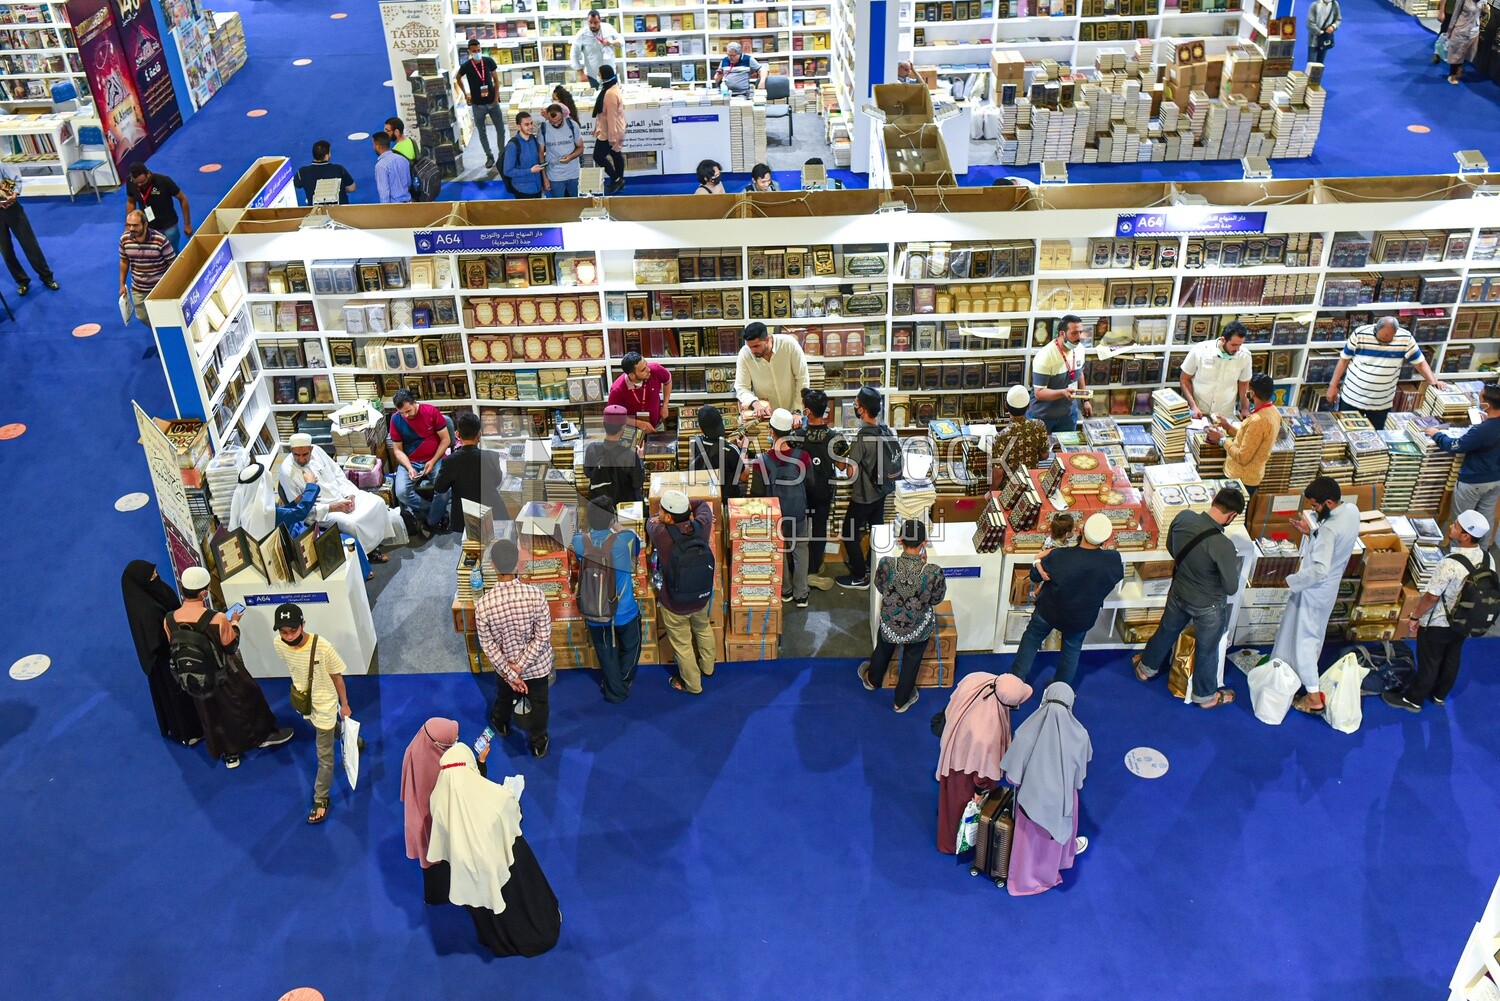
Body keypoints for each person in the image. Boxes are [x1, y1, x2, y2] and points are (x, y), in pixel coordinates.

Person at [426, 743, 562, 957]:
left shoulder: (438, 799)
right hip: (505, 863)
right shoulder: (496, 797)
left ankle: (500, 941)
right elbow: (514, 816)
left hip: (468, 869)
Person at [165, 566, 292, 769]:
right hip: (224, 674)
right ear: (203, 593)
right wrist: (234, 623)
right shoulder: (217, 619)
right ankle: (262, 736)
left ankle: (230, 754)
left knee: (212, 714)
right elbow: (231, 646)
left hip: (194, 679)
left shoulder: (169, 619)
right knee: (247, 701)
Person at [1131, 487, 1245, 709]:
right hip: (1208, 606)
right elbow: (1231, 587)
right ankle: (1205, 697)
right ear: (1232, 516)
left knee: (1166, 630)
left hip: (1179, 592)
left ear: (1213, 500)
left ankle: (1146, 669)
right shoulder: (1223, 546)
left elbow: (1171, 548)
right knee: (1207, 649)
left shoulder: (1183, 517)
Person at [1271, 476, 1362, 715]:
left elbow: (1320, 568)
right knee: (1307, 635)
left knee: (1304, 641)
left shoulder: (1329, 529)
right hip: (1327, 590)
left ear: (1329, 502)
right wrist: (1311, 532)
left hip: (1313, 591)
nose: (1313, 510)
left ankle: (1313, 697)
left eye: (1315, 506)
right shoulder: (1351, 510)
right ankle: (1290, 676)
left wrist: (1290, 581)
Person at [1384, 510, 1489, 713]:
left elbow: (1431, 597)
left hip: (1439, 623)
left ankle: (1413, 699)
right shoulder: (1487, 558)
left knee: (1429, 662)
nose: (1451, 527)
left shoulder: (1450, 563)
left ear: (1466, 536)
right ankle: (1439, 694)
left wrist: (1415, 617)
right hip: (1465, 622)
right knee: (1452, 657)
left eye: (1456, 526)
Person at [1008, 513, 1124, 688]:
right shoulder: (1113, 560)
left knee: (1032, 638)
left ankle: (1013, 684)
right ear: (1107, 538)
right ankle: (1060, 693)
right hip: (1081, 617)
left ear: (1081, 530)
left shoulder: (1059, 555)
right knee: (1071, 649)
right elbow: (1114, 579)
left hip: (1049, 610)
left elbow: (1034, 575)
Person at [999, 681, 1092, 896]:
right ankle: (1059, 863)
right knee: (1055, 837)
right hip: (1062, 802)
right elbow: (1078, 781)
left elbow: (1012, 776)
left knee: (1029, 845)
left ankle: (1025, 879)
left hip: (1030, 803)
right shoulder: (1080, 735)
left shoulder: (1027, 730)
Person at [271, 603, 352, 825]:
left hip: (325, 704)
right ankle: (356, 742)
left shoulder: (323, 647)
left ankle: (321, 798)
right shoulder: (278, 644)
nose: (288, 637)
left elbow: (337, 677)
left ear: (303, 624)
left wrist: (344, 705)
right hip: (304, 701)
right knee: (322, 730)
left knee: (324, 755)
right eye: (283, 632)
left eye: (293, 631)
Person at [935, 672, 1031, 854]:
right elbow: (984, 771)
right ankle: (950, 844)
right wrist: (980, 791)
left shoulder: (978, 679)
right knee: (960, 807)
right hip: (966, 770)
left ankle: (946, 832)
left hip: (954, 749)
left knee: (948, 798)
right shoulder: (989, 732)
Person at [230, 458, 372, 580]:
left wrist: (299, 499)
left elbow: (282, 512)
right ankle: (362, 576)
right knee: (350, 541)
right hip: (295, 544)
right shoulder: (265, 511)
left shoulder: (247, 509)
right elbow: (300, 513)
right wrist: (311, 485)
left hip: (281, 543)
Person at [475, 539, 555, 758]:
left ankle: (500, 724)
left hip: (506, 668)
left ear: (492, 564)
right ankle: (538, 742)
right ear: (518, 562)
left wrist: (511, 672)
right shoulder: (536, 595)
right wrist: (521, 666)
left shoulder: (483, 605)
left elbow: (488, 646)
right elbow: (543, 636)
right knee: (540, 703)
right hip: (537, 666)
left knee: (503, 696)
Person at [858, 519, 947, 713]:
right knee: (911, 662)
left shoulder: (887, 564)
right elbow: (937, 599)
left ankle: (872, 680)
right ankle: (900, 701)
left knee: (883, 649)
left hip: (890, 623)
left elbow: (879, 586)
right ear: (924, 543)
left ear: (900, 540)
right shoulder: (933, 572)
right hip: (917, 628)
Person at [121, 560, 203, 746]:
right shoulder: (146, 611)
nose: (156, 578)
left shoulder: (153, 592)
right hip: (164, 660)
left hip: (174, 651)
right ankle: (188, 732)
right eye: (152, 577)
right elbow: (156, 640)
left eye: (156, 573)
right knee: (176, 696)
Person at [278, 433, 391, 563]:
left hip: (341, 494)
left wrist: (350, 495)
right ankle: (366, 556)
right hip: (320, 511)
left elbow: (337, 473)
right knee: (351, 524)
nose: (301, 459)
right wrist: (333, 507)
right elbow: (300, 509)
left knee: (378, 502)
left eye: (305, 454)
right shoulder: (287, 471)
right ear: (291, 452)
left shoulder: (318, 451)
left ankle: (375, 542)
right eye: (296, 455)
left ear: (311, 450)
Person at [573, 497, 643, 703]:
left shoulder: (579, 541)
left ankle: (614, 684)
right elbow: (637, 546)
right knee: (631, 646)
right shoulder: (625, 540)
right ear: (612, 517)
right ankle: (620, 685)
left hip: (595, 609)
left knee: (606, 651)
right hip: (624, 609)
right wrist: (615, 524)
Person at [649, 490, 718, 695]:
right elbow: (703, 504)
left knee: (683, 644)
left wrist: (660, 514)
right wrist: (687, 504)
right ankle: (708, 667)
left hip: (674, 602)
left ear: (669, 517)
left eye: (662, 510)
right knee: (703, 629)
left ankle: (693, 685)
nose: (659, 513)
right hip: (701, 596)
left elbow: (650, 520)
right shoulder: (702, 525)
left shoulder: (660, 533)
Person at [1326, 316, 1444, 431]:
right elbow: (1344, 360)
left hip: (1381, 403)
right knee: (1347, 434)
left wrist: (1433, 381)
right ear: (1375, 330)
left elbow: (1420, 363)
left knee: (1377, 439)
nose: (1384, 344)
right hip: (1352, 399)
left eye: (1389, 341)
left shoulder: (1405, 338)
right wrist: (1333, 386)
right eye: (1381, 340)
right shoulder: (1360, 334)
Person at [750, 408, 813, 608]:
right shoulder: (802, 457)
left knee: (780, 549)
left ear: (771, 431)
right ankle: (801, 594)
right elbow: (810, 483)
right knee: (800, 550)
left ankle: (784, 591)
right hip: (798, 511)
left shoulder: (762, 462)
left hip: (774, 513)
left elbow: (757, 494)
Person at [1427, 383, 1500, 552]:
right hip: (1496, 480)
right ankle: (1481, 556)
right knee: (1485, 519)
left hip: (1473, 481)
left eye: (1480, 398)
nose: (1478, 400)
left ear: (1486, 405)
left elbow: (1455, 445)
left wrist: (1436, 434)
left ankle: (1457, 557)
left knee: (1461, 523)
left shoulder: (1482, 431)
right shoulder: (1487, 427)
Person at [837, 386, 897, 589]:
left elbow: (850, 473)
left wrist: (842, 460)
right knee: (876, 528)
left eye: (856, 404)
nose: (855, 407)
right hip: (882, 491)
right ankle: (873, 566)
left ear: (862, 409)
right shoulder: (885, 429)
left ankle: (859, 576)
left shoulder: (862, 438)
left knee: (849, 532)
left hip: (864, 495)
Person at [400, 717, 460, 903]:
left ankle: (434, 897)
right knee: (439, 863)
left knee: (430, 865)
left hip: (418, 820)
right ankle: (440, 896)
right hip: (432, 824)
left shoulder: (416, 748)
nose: (456, 742)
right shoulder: (437, 770)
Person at [433, 411, 512, 531]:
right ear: (479, 435)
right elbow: (497, 481)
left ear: (458, 434)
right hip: (493, 510)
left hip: (465, 514)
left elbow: (439, 488)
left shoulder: (450, 461)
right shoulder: (492, 456)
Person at [389, 389, 452, 537]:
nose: (406, 415)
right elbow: (397, 450)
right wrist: (409, 468)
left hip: (434, 457)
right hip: (410, 461)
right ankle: (436, 513)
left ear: (414, 402)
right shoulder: (395, 419)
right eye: (402, 412)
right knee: (402, 493)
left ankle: (430, 521)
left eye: (408, 411)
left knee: (444, 491)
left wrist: (433, 460)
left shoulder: (430, 411)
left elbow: (446, 440)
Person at [1209, 372, 1281, 495]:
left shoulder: (1257, 421)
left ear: (1252, 393)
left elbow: (1243, 457)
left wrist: (1222, 440)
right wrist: (1228, 427)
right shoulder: (1273, 412)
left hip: (1240, 479)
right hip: (1252, 476)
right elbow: (1250, 438)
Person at [795, 388, 837, 590]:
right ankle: (815, 566)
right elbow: (845, 465)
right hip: (824, 492)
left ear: (809, 411)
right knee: (819, 529)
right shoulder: (834, 437)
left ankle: (800, 568)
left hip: (802, 493)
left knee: (801, 531)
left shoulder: (797, 436)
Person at [0, 161, 58, 295]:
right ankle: (21, 281)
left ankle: (46, 277)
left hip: (12, 210)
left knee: (30, 245)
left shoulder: (1, 165)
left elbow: (13, 180)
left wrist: (13, 194)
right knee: (6, 251)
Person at [1028, 314, 1092, 434]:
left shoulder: (1080, 349)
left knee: (1065, 451)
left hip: (1068, 416)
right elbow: (1039, 393)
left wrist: (1085, 400)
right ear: (1062, 334)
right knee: (1042, 452)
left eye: (1080, 332)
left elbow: (1080, 374)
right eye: (1074, 333)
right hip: (1043, 417)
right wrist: (1063, 392)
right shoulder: (1045, 356)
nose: (1079, 337)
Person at [734, 321, 809, 417]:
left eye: (756, 346)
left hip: (793, 413)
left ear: (767, 339)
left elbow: (802, 378)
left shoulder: (789, 344)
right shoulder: (745, 354)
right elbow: (741, 387)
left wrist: (797, 410)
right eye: (750, 347)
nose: (753, 351)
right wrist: (755, 403)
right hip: (767, 416)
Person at [1180, 320, 1251, 420]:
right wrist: (1193, 406)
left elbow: (1244, 384)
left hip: (1225, 415)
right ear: (1223, 340)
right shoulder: (1200, 350)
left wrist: (1245, 408)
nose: (1237, 349)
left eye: (1240, 345)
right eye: (1234, 345)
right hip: (1199, 412)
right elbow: (1184, 379)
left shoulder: (1245, 356)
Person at [118, 210, 175, 326]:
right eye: (128, 225)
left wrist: (170, 286)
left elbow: (173, 264)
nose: (131, 228)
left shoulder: (160, 240)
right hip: (138, 288)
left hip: (159, 287)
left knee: (166, 317)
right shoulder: (124, 240)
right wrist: (122, 284)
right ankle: (157, 329)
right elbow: (124, 261)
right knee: (142, 316)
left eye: (135, 225)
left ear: (145, 224)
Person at [458, 38, 505, 171]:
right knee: (482, 132)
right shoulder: (466, 66)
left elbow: (496, 80)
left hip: (492, 102)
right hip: (477, 105)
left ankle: (501, 155)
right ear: (469, 51)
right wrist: (465, 94)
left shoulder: (488, 61)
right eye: (474, 51)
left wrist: (496, 97)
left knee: (500, 129)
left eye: (479, 50)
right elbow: (458, 78)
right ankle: (489, 156)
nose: (477, 52)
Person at [583, 405, 646, 505]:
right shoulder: (630, 456)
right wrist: (640, 459)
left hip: (602, 507)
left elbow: (588, 473)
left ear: (603, 424)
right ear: (624, 426)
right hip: (624, 509)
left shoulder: (591, 449)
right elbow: (637, 483)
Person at [125, 162, 192, 251]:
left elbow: (183, 199)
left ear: (148, 174)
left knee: (172, 254)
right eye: (137, 182)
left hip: (169, 226)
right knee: (154, 255)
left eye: (142, 181)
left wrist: (187, 224)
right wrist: (128, 225)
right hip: (148, 228)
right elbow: (131, 202)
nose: (140, 185)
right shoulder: (130, 181)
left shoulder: (164, 181)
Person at [688, 404, 745, 503]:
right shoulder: (732, 450)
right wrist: (743, 451)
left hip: (705, 498)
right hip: (728, 500)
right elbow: (744, 476)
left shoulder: (695, 443)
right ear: (721, 423)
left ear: (701, 429)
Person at [607, 350, 673, 432]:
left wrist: (665, 405)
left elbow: (668, 381)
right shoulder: (617, 390)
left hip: (657, 426)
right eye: (643, 370)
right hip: (631, 431)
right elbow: (613, 417)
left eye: (646, 364)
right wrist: (639, 423)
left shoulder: (655, 369)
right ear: (632, 375)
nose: (648, 370)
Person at [992, 384, 1050, 473]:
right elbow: (1045, 455)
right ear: (1029, 406)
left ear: (1005, 405)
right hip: (1032, 481)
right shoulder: (1039, 425)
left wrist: (992, 487)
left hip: (1011, 485)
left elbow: (998, 472)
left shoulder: (1001, 437)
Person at [592, 64, 626, 194]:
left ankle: (616, 179)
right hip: (612, 129)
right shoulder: (611, 88)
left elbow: (611, 117)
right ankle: (618, 181)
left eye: (599, 74)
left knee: (598, 156)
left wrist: (612, 138)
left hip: (610, 132)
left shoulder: (610, 94)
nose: (598, 76)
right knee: (615, 154)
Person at [540, 103, 584, 198]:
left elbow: (581, 148)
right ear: (547, 116)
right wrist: (545, 178)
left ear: (563, 115)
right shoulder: (542, 129)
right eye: (553, 122)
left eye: (559, 121)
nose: (556, 124)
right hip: (554, 175)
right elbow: (540, 155)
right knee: (558, 205)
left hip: (573, 174)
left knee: (576, 203)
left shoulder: (572, 125)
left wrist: (570, 157)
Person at [293, 140, 356, 205]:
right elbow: (352, 188)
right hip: (341, 210)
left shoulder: (302, 172)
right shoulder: (338, 169)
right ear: (326, 156)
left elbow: (294, 186)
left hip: (316, 212)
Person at [571, 8, 621, 87]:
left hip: (611, 74)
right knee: (596, 98)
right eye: (590, 22)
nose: (592, 25)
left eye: (595, 22)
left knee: (613, 96)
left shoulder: (608, 28)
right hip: (593, 76)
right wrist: (581, 73)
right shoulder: (582, 34)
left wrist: (611, 42)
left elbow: (621, 42)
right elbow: (574, 54)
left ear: (600, 20)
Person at [503, 111, 547, 199]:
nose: (531, 127)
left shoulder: (533, 140)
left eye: (531, 123)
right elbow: (508, 171)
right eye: (526, 125)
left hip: (537, 188)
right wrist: (530, 171)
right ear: (518, 126)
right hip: (523, 191)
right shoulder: (512, 146)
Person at [1443, 0, 1481, 84]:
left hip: (1474, 31)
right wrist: (1450, 29)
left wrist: (1486, 10)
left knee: (1468, 53)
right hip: (1461, 29)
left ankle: (1459, 68)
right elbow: (1455, 14)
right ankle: (1452, 75)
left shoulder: (1483, 1)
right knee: (1456, 53)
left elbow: (1480, 13)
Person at [372, 129, 413, 204]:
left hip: (394, 208)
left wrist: (385, 211)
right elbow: (409, 182)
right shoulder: (403, 159)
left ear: (378, 147)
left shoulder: (380, 166)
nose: (373, 147)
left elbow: (384, 193)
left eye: (373, 144)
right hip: (408, 203)